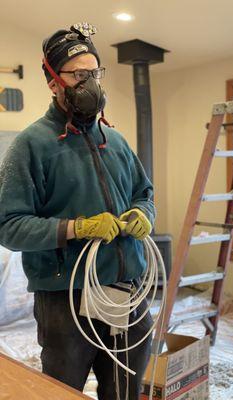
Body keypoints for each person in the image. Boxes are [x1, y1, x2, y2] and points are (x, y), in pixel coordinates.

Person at [0, 22, 156, 399]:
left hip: (126, 290)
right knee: (62, 391)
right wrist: (77, 228)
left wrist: (143, 213)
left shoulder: (114, 140)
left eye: (96, 73)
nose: (92, 84)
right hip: (65, 299)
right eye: (79, 75)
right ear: (54, 82)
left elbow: (144, 192)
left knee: (125, 389)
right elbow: (9, 226)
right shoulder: (31, 145)